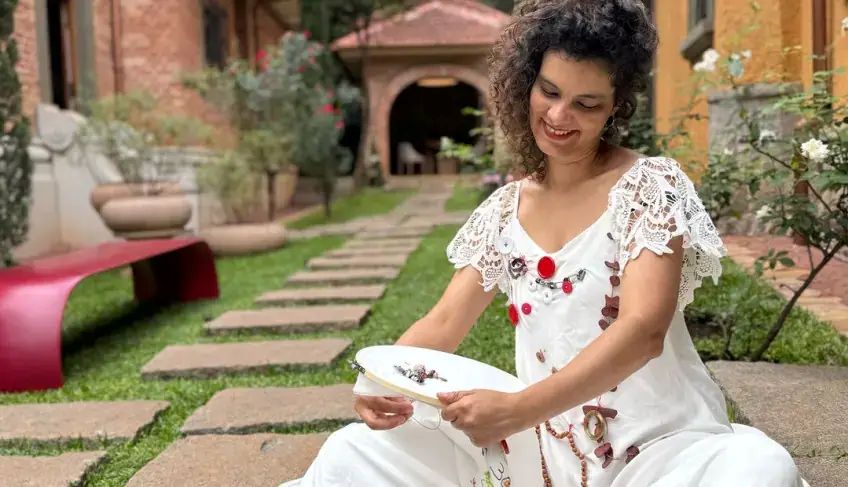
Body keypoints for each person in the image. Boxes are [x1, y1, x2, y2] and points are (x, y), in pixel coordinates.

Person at [283, 1, 805, 485]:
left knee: (758, 470)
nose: (558, 116)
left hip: (658, 447)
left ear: (615, 108)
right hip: (535, 452)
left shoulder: (650, 187)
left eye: (586, 103)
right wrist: (378, 383)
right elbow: (443, 323)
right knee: (351, 453)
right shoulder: (504, 211)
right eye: (549, 92)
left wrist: (518, 409)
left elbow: (644, 330)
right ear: (526, 83)